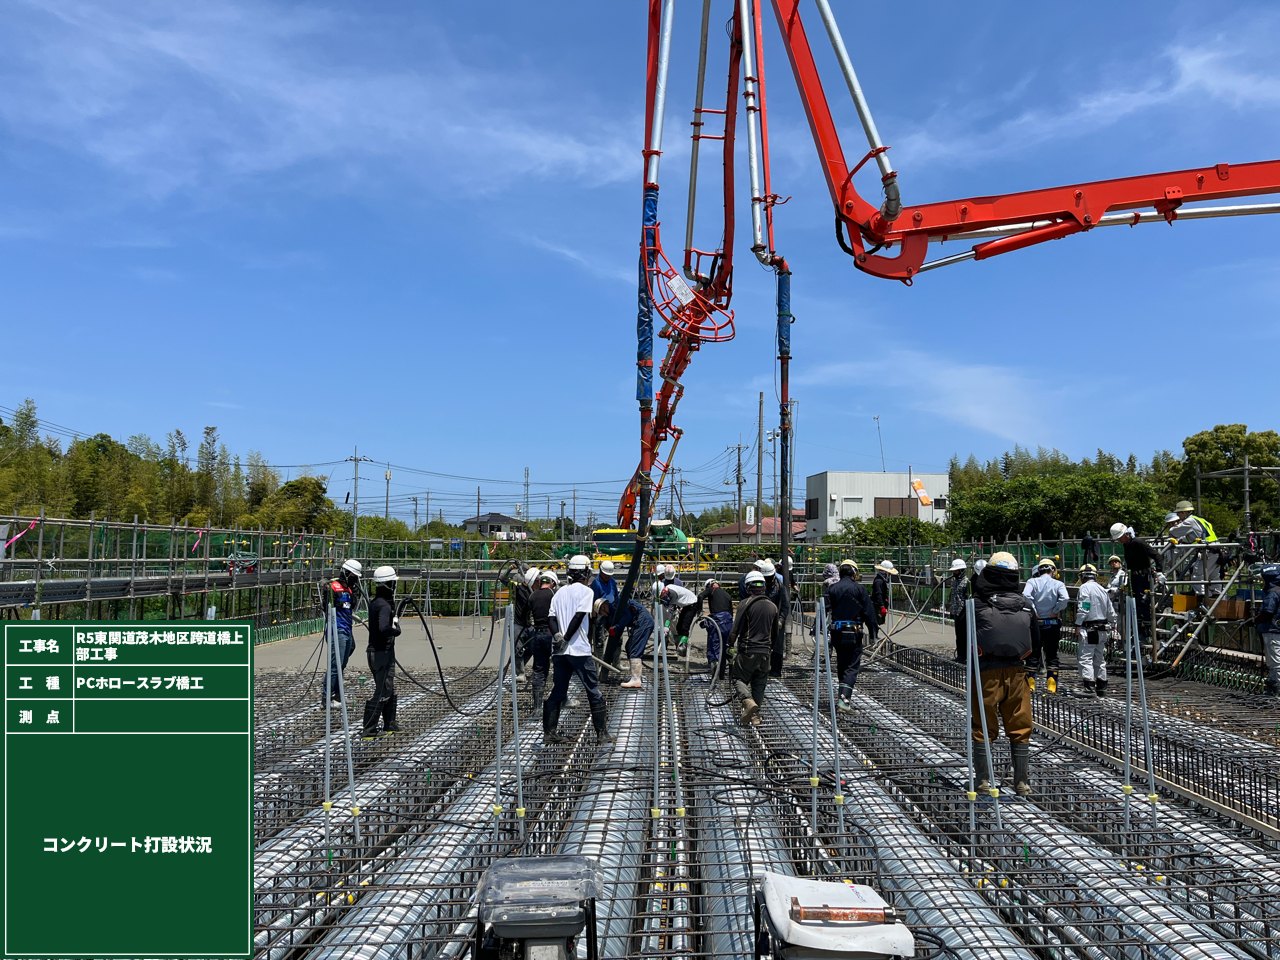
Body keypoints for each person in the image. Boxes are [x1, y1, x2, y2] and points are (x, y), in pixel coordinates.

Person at [970, 552, 1038, 797]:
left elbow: (963, 636)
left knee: (983, 725)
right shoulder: (1026, 604)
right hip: (1018, 671)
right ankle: (1022, 782)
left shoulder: (976, 604)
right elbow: (1036, 640)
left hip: (986, 671)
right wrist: (1033, 668)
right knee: (1020, 725)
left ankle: (984, 781)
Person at [543, 554, 611, 745]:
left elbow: (551, 619)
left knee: (558, 691)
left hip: (560, 653)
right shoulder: (587, 592)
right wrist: (565, 638)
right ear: (586, 572)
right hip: (579, 650)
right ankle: (602, 734)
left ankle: (549, 732)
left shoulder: (559, 593)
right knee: (593, 691)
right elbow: (579, 616)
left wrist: (558, 637)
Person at [824, 559, 878, 711]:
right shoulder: (859, 589)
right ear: (854, 572)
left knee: (842, 664)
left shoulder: (833, 588)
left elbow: (823, 609)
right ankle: (844, 701)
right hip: (854, 633)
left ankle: (842, 698)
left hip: (837, 633)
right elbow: (869, 612)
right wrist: (873, 633)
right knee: (852, 667)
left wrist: (817, 629)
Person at [728, 570, 778, 726]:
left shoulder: (745, 603)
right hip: (765, 652)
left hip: (748, 650)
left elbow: (735, 629)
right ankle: (755, 717)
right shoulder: (773, 606)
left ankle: (747, 702)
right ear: (763, 587)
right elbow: (775, 633)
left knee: (737, 678)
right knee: (759, 683)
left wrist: (729, 645)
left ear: (748, 587)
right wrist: (770, 649)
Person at [361, 565, 401, 739]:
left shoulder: (376, 602)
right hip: (381, 654)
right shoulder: (383, 605)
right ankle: (369, 729)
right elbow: (384, 628)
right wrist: (396, 631)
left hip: (377, 652)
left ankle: (389, 724)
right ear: (388, 584)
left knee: (388, 688)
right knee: (382, 690)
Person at [1110, 522, 1163, 647]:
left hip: (1143, 577)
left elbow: (1156, 556)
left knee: (1144, 603)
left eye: (1119, 538)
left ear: (1125, 535)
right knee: (1136, 605)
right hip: (1134, 577)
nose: (1118, 541)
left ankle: (1148, 632)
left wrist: (1160, 572)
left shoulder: (1138, 543)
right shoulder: (1127, 545)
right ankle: (1140, 632)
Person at [1023, 558, 1070, 693]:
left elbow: (1025, 595)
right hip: (1052, 623)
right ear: (1053, 570)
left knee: (1033, 654)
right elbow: (1065, 598)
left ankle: (1031, 684)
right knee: (1052, 654)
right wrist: (1055, 610)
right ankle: (1052, 684)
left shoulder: (1032, 582)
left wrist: (1034, 611)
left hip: (1036, 624)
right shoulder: (1058, 584)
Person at [322, 559, 362, 706]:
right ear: (346, 573)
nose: (355, 579)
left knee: (342, 663)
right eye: (353, 576)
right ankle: (326, 698)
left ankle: (338, 696)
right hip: (336, 629)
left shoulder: (349, 589)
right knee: (335, 665)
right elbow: (326, 607)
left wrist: (354, 596)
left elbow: (350, 607)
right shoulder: (333, 587)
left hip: (347, 628)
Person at [1075, 564, 1116, 697]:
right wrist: (1112, 624)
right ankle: (1102, 686)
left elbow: (1084, 607)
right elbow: (1111, 611)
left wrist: (1078, 624)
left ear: (1082, 576)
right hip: (1103, 629)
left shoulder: (1084, 588)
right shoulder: (1102, 589)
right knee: (1099, 658)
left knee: (1086, 658)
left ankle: (1088, 687)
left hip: (1090, 629)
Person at [608, 595, 655, 689]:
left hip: (643, 622)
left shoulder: (617, 603)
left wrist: (617, 627)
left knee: (635, 649)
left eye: (602, 611)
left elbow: (627, 616)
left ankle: (636, 679)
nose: (603, 613)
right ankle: (635, 675)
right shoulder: (615, 604)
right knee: (629, 646)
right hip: (641, 622)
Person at [526, 570, 557, 709]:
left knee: (539, 670)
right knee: (559, 668)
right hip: (551, 635)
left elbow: (526, 615)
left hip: (537, 635)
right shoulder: (553, 594)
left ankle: (537, 707)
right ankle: (560, 700)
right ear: (552, 583)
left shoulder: (532, 595)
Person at [697, 578, 734, 678]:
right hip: (729, 623)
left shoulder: (711, 589)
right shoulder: (727, 594)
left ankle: (714, 666)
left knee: (714, 646)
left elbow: (700, 596)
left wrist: (699, 611)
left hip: (718, 622)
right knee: (726, 647)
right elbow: (728, 613)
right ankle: (728, 669)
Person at [1255, 564, 1280, 697]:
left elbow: (1268, 611)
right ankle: (1273, 686)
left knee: (1275, 662)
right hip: (1276, 629)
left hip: (1272, 630)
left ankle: (1276, 689)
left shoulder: (1273, 593)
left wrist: (1257, 619)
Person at [512, 566, 537, 681]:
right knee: (518, 649)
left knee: (533, 647)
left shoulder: (534, 591)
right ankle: (520, 673)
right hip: (517, 623)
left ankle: (521, 666)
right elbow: (503, 578)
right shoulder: (518, 588)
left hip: (529, 624)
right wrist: (509, 569)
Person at [661, 580, 700, 651]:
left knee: (685, 626)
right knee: (679, 626)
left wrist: (667, 625)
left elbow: (671, 610)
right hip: (686, 605)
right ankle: (680, 644)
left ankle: (683, 647)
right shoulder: (667, 589)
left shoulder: (672, 593)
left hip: (692, 603)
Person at [946, 558, 970, 663]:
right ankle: (960, 655)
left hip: (964, 612)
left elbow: (968, 598)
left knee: (965, 635)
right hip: (956, 612)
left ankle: (966, 656)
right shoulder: (954, 582)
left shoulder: (966, 582)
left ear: (961, 570)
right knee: (958, 635)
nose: (954, 573)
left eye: (955, 571)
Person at [872, 560, 896, 627]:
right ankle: (874, 636)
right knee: (876, 622)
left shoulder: (883, 580)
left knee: (880, 622)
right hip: (877, 605)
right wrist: (882, 606)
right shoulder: (878, 581)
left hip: (881, 603)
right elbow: (878, 594)